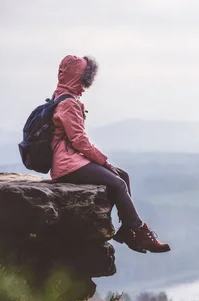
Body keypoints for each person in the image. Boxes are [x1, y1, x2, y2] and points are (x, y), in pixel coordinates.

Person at [49, 54, 170, 254]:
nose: (86, 83)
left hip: (70, 160)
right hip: (67, 165)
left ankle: (126, 232)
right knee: (118, 183)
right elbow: (79, 140)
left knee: (123, 175)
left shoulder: (61, 96)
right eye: (85, 77)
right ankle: (139, 231)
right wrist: (104, 162)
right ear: (78, 76)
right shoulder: (68, 103)